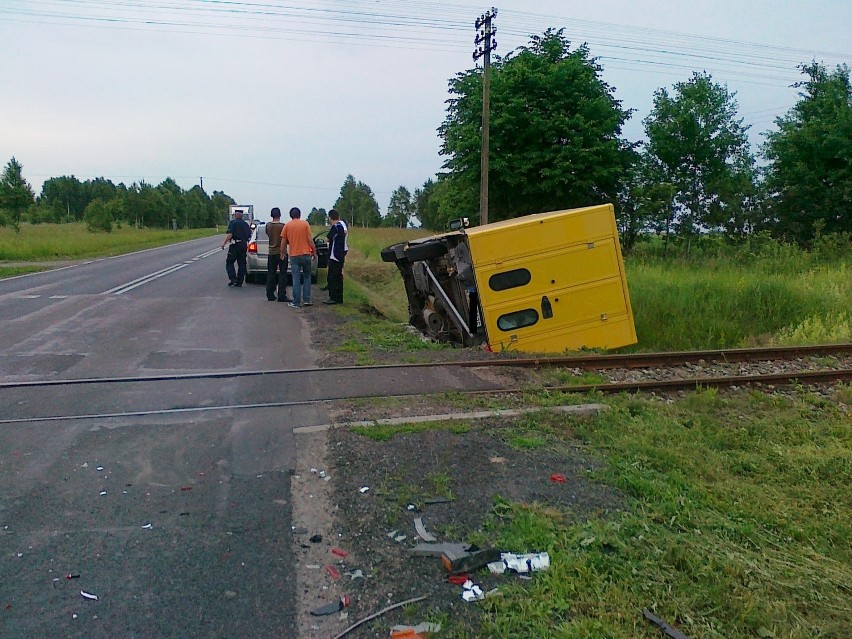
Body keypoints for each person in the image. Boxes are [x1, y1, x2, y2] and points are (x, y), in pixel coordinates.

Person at [280, 207, 316, 308]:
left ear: (291, 215)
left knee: (296, 278)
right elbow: (310, 240)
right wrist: (314, 251)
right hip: (306, 254)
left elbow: (283, 241)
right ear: (299, 214)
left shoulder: (287, 226)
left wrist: (282, 252)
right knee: (307, 277)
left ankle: (296, 302)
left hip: (294, 255)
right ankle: (307, 299)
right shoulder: (305, 224)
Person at [220, 208, 251, 287]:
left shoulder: (233, 223)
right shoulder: (246, 224)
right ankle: (239, 282)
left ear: (236, 215)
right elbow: (249, 236)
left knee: (229, 262)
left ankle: (233, 278)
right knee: (242, 264)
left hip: (235, 245)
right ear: (242, 215)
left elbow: (230, 234)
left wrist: (224, 243)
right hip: (243, 245)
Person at [265, 207, 289, 302]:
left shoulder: (268, 226)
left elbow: (268, 234)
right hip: (281, 252)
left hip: (271, 251)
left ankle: (270, 294)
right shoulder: (283, 226)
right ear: (280, 215)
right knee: (283, 274)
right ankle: (281, 295)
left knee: (271, 273)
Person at [324, 209, 347, 305]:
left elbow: (328, 237)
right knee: (338, 277)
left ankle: (333, 297)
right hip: (341, 254)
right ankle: (339, 298)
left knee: (332, 277)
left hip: (335, 255)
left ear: (330, 218)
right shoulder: (342, 225)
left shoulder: (336, 227)